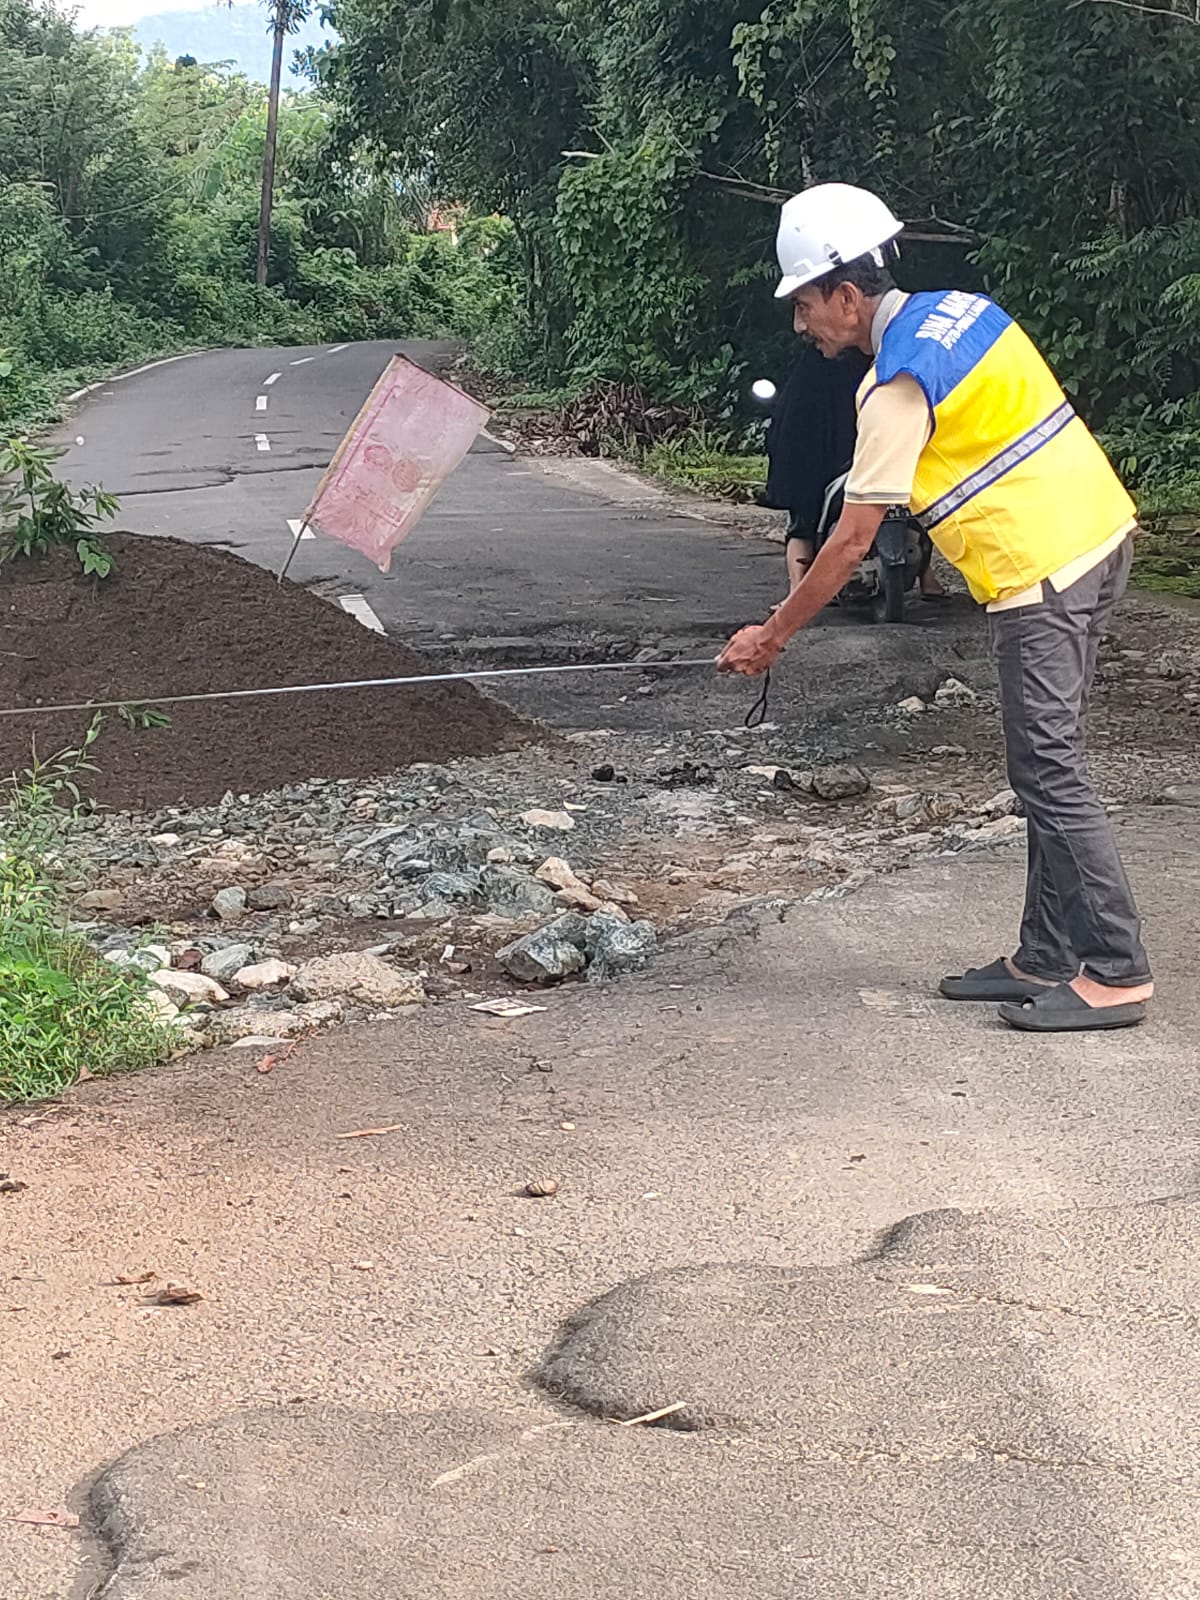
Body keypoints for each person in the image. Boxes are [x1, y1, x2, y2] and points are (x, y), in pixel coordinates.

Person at [719, 183, 1152, 1034]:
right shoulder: (963, 312)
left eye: (805, 305)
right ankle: (1046, 955)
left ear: (847, 295)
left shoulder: (894, 384)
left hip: (1041, 572)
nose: (803, 325)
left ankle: (1118, 969)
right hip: (1099, 536)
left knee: (1049, 771)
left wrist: (771, 636)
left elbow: (849, 543)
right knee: (1046, 765)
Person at [763, 337, 946, 599]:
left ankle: (796, 592)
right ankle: (797, 591)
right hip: (843, 453)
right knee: (804, 518)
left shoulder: (828, 365)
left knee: (913, 507)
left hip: (841, 454)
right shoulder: (863, 361)